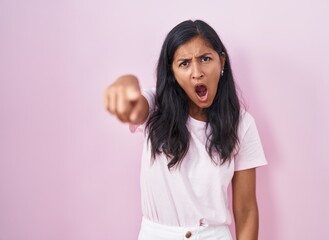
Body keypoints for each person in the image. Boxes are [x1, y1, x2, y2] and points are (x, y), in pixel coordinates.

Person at [104, 20, 267, 240]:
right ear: (172, 72)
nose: (197, 72)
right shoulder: (156, 106)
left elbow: (246, 210)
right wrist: (126, 84)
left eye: (205, 59)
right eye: (184, 63)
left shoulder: (242, 124)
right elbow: (136, 106)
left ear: (222, 62)